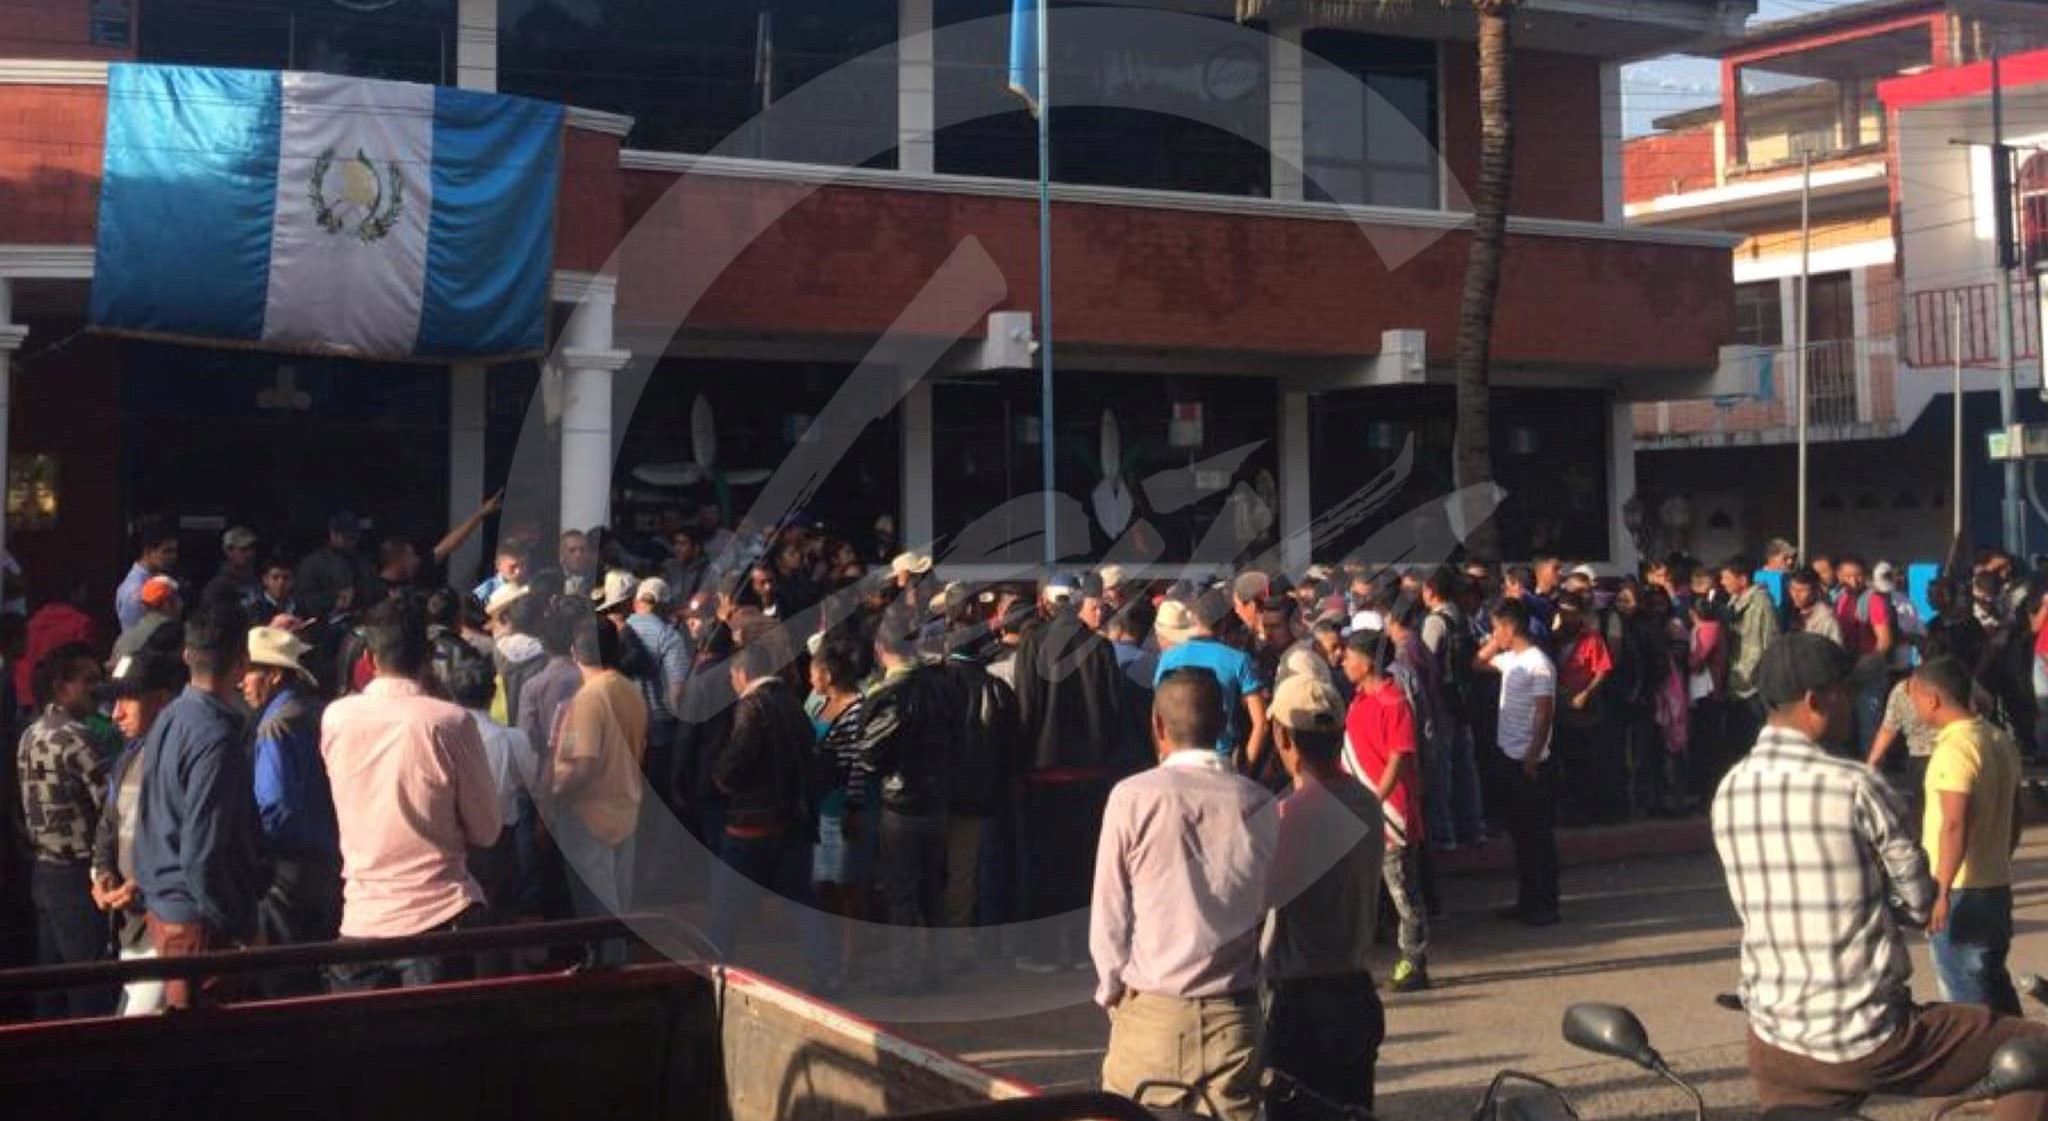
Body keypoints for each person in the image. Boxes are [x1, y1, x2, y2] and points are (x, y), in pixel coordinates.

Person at [1714, 632, 2048, 1121]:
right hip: (1864, 1033)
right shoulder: (1854, 786)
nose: (1851, 701)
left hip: (1773, 1037)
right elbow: (1918, 900)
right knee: (2035, 1054)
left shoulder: (1730, 789)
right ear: (1815, 701)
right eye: (1844, 691)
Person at [1091, 669, 1276, 1121]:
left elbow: (1110, 912)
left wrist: (1115, 992)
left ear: (1156, 724)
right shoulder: (1260, 803)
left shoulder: (1132, 798)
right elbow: (1271, 912)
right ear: (1225, 721)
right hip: (1234, 1013)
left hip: (1152, 1013)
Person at [322, 599, 501, 991]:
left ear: (369, 658)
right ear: (427, 657)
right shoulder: (449, 721)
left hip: (362, 917)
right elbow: (487, 830)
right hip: (438, 917)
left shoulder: (336, 718)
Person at [1262, 673, 1385, 1119]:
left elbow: (1256, 899)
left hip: (1303, 1003)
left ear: (1283, 737)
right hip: (1354, 992)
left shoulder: (1289, 817)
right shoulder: (1366, 803)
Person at [134, 605, 261, 1009]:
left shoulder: (171, 716)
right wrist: (239, 924)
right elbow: (203, 852)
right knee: (204, 1050)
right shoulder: (215, 738)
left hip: (166, 906)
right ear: (241, 664)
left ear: (188, 655)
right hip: (198, 920)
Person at [711, 632, 835, 990]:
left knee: (726, 905)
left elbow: (737, 761)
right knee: (801, 900)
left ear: (743, 673)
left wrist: (721, 776)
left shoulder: (753, 707)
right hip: (791, 819)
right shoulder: (793, 703)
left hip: (752, 822)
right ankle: (826, 970)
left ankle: (717, 968)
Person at [1011, 582, 1125, 972]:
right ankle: (1080, 949)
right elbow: (1113, 711)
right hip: (1091, 773)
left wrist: (1022, 763)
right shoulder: (1101, 648)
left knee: (1044, 865)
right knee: (1085, 866)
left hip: (1044, 774)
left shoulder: (1031, 644)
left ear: (1046, 605)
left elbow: (1025, 707)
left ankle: (1042, 951)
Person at [1913, 656, 2025, 1014]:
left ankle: (1984, 1067)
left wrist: (1941, 891)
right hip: (1996, 884)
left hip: (1961, 888)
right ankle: (2027, 1060)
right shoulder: (1998, 738)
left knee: (1967, 998)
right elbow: (2015, 813)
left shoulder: (1954, 750)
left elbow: (1953, 823)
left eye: (1913, 695)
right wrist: (2001, 857)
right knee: (1994, 983)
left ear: (1932, 699)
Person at [860, 607, 959, 994]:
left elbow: (870, 754)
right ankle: (936, 967)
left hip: (900, 802)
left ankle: (906, 973)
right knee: (933, 888)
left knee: (902, 891)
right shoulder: (942, 685)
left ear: (882, 648)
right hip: (937, 798)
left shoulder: (889, 695)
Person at [240, 626, 341, 996]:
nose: (242, 683)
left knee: (286, 980)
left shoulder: (275, 724)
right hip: (330, 860)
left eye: (251, 672)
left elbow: (275, 808)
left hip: (289, 871)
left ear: (276, 674)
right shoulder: (318, 711)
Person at [18, 644, 111, 1017]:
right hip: (76, 870)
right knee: (88, 984)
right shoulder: (75, 736)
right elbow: (110, 803)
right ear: (62, 687)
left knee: (51, 984)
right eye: (87, 680)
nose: (96, 688)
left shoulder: (30, 734)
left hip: (43, 868)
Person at [91, 650, 185, 1017]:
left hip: (163, 925)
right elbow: (107, 825)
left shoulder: (181, 759)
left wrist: (142, 882)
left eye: (128, 698)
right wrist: (101, 873)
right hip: (127, 927)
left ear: (161, 699)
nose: (116, 713)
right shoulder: (126, 758)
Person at [1340, 630, 1429, 992]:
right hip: (1358, 809)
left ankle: (1414, 961)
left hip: (1388, 813)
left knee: (1402, 891)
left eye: (1349, 657)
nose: (1343, 663)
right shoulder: (1358, 700)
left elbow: (1398, 756)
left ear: (1367, 662)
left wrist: (1375, 800)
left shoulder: (1395, 703)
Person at [552, 614, 648, 923]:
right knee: (618, 908)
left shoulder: (589, 699)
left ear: (574, 653)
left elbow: (582, 765)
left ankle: (606, 966)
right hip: (625, 809)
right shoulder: (631, 690)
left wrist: (554, 797)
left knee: (599, 914)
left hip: (589, 817)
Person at [441, 647, 536, 934]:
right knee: (497, 920)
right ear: (492, 693)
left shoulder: (441, 737)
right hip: (499, 839)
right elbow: (530, 784)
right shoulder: (511, 739)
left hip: (452, 840)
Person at [1480, 599, 1559, 926]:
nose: (1493, 633)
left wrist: (1532, 754)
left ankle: (1546, 903)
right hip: (1507, 753)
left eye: (1497, 627)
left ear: (1511, 627)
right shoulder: (1511, 660)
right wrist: (1493, 644)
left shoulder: (1539, 663)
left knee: (1537, 834)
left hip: (1530, 759)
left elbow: (1544, 712)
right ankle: (1526, 900)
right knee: (1521, 835)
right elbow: (1477, 663)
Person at [1153, 590, 1268, 772]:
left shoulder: (1168, 659)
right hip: (1222, 761)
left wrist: (1162, 757)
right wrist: (1245, 770)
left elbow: (1157, 714)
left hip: (1176, 759)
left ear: (1195, 619)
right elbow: (1261, 722)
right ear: (1224, 623)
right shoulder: (1239, 660)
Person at [1419, 569, 1487, 849]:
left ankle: (1443, 830)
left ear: (1431, 591)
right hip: (1463, 699)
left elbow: (1427, 660)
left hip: (1443, 701)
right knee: (1466, 765)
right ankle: (1473, 826)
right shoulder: (1463, 618)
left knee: (1442, 767)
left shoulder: (1436, 621)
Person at [1837, 556, 1897, 756]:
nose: (1854, 581)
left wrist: (1863, 670)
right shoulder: (1839, 599)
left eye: (1858, 576)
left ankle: (1872, 776)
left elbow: (1885, 640)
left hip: (1868, 675)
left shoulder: (1874, 600)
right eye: (1848, 576)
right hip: (1845, 671)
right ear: (1839, 576)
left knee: (1868, 729)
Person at [1722, 557, 1779, 754]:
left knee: (1756, 735)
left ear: (1743, 579)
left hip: (1755, 682)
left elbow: (1770, 641)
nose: (1723, 583)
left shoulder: (1762, 603)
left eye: (1727, 578)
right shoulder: (1733, 602)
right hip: (1736, 680)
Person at [16, 579, 96, 716]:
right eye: (83, 591)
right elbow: (85, 663)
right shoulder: (81, 622)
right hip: (61, 698)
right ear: (74, 593)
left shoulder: (33, 622)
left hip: (25, 695)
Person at [295, 512, 377, 622]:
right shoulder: (312, 563)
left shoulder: (363, 561)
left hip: (364, 623)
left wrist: (360, 593)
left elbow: (373, 587)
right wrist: (334, 598)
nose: (353, 541)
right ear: (333, 535)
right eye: (349, 537)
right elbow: (303, 601)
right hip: (326, 628)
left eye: (356, 536)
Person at [115, 523, 179, 632]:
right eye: (167, 551)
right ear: (148, 551)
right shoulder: (135, 590)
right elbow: (136, 636)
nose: (173, 557)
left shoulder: (159, 580)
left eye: (175, 551)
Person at [112, 576, 182, 663]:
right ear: (167, 603)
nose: (182, 603)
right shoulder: (178, 635)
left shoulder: (123, 640)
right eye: (179, 597)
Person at [204, 526, 261, 610]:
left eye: (252, 548)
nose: (250, 554)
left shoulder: (257, 581)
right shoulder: (218, 587)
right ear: (228, 551)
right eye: (243, 549)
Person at [1791, 569, 1844, 645]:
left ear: (1815, 591)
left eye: (1802, 591)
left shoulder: (1826, 619)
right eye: (1793, 589)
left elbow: (1837, 649)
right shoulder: (1790, 612)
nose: (1795, 595)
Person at [251, 554, 297, 623]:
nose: (281, 583)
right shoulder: (254, 611)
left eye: (286, 578)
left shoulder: (301, 607)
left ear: (293, 580)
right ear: (265, 580)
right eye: (275, 578)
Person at [556, 530, 599, 599]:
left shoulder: (599, 581)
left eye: (582, 550)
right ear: (561, 555)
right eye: (572, 550)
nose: (578, 555)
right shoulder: (550, 581)